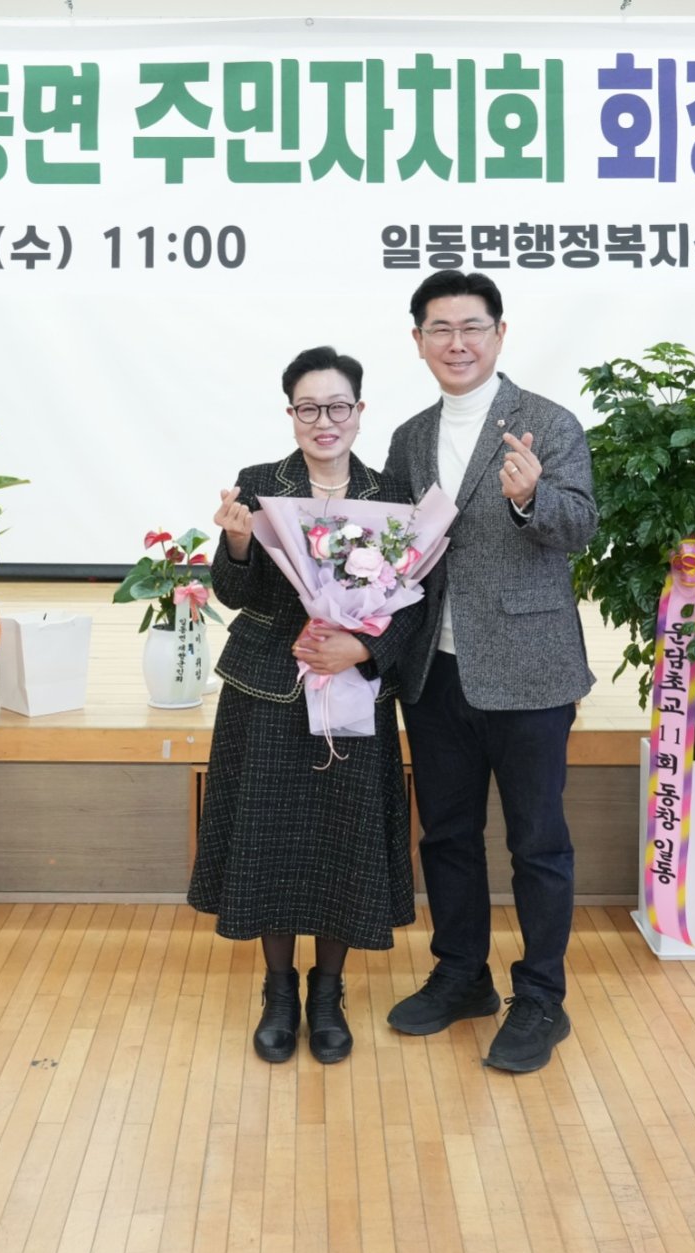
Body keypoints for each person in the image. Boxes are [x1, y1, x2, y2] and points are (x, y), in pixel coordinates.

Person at [378, 270, 599, 1074]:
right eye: (439, 329)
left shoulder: (548, 421)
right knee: (446, 833)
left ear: (499, 333)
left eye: (471, 326)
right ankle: (461, 974)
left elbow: (580, 527)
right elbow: (396, 550)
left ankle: (540, 997)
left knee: (538, 842)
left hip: (529, 670)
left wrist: (531, 498)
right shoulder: (408, 437)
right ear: (418, 341)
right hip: (435, 671)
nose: (457, 342)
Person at [188, 345, 421, 1065]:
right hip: (269, 686)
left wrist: (363, 650)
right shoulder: (261, 484)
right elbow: (235, 594)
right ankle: (279, 990)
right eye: (309, 407)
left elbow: (415, 600)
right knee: (271, 842)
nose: (325, 420)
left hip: (355, 687)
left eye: (338, 406)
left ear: (359, 411)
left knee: (341, 841)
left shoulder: (391, 493)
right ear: (291, 413)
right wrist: (236, 542)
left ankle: (328, 990)